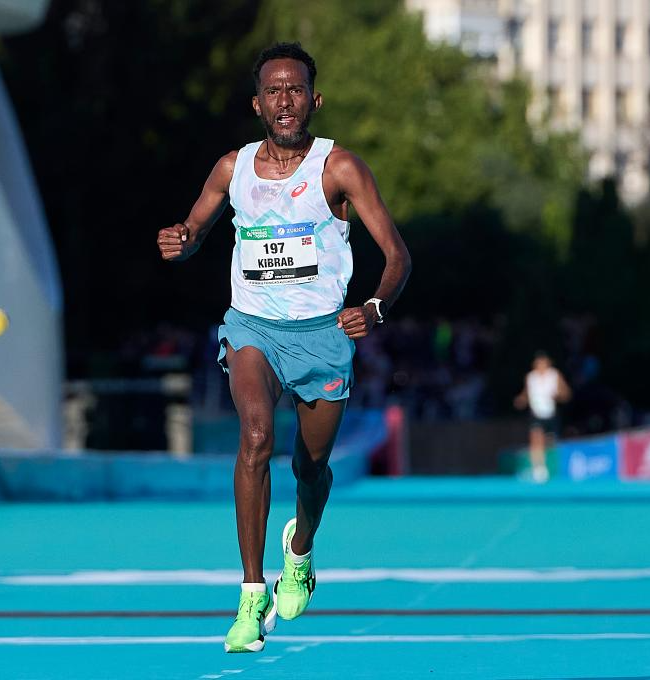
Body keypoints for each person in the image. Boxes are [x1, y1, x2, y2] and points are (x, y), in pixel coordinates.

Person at [156, 43, 410, 653]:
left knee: (311, 468)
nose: (285, 101)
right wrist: (181, 240)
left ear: (314, 100)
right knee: (255, 437)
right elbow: (194, 231)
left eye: (295, 89)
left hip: (323, 336)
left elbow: (397, 255)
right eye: (273, 91)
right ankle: (250, 594)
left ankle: (300, 551)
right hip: (254, 328)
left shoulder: (339, 168)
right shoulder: (232, 168)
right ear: (257, 104)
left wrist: (374, 307)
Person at [514, 352, 571, 483]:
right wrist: (521, 400)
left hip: (550, 413)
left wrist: (558, 395)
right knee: (535, 440)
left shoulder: (555, 375)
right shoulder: (530, 377)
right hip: (536, 414)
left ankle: (551, 467)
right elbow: (526, 394)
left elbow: (566, 394)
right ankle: (538, 469)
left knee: (549, 442)